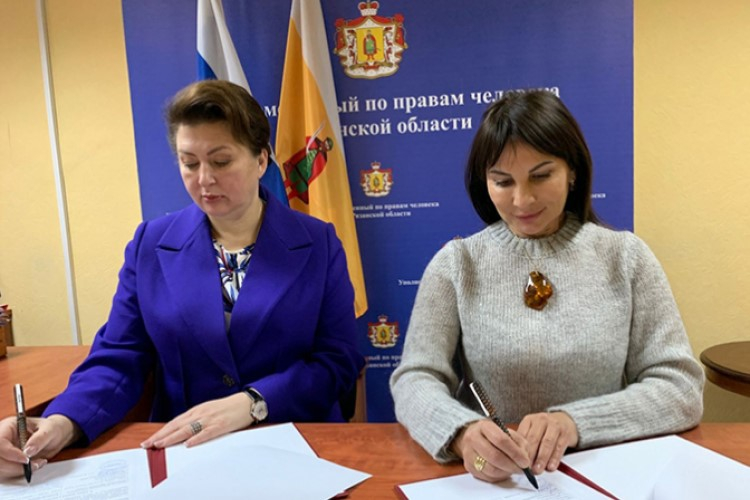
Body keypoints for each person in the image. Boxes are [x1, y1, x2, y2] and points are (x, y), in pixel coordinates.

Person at [0, 80, 364, 480]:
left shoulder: (317, 242)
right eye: (189, 163)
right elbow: (120, 357)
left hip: (294, 442)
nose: (204, 179)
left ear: (261, 160)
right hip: (185, 454)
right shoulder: (151, 243)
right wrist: (61, 423)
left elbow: (338, 362)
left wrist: (254, 402)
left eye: (221, 161)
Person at [389, 89, 704, 484]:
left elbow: (680, 387)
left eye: (541, 176)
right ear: (484, 182)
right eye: (502, 181)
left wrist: (574, 422)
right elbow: (415, 379)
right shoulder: (457, 264)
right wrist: (461, 433)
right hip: (498, 482)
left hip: (609, 475)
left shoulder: (626, 258)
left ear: (572, 171)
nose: (522, 200)